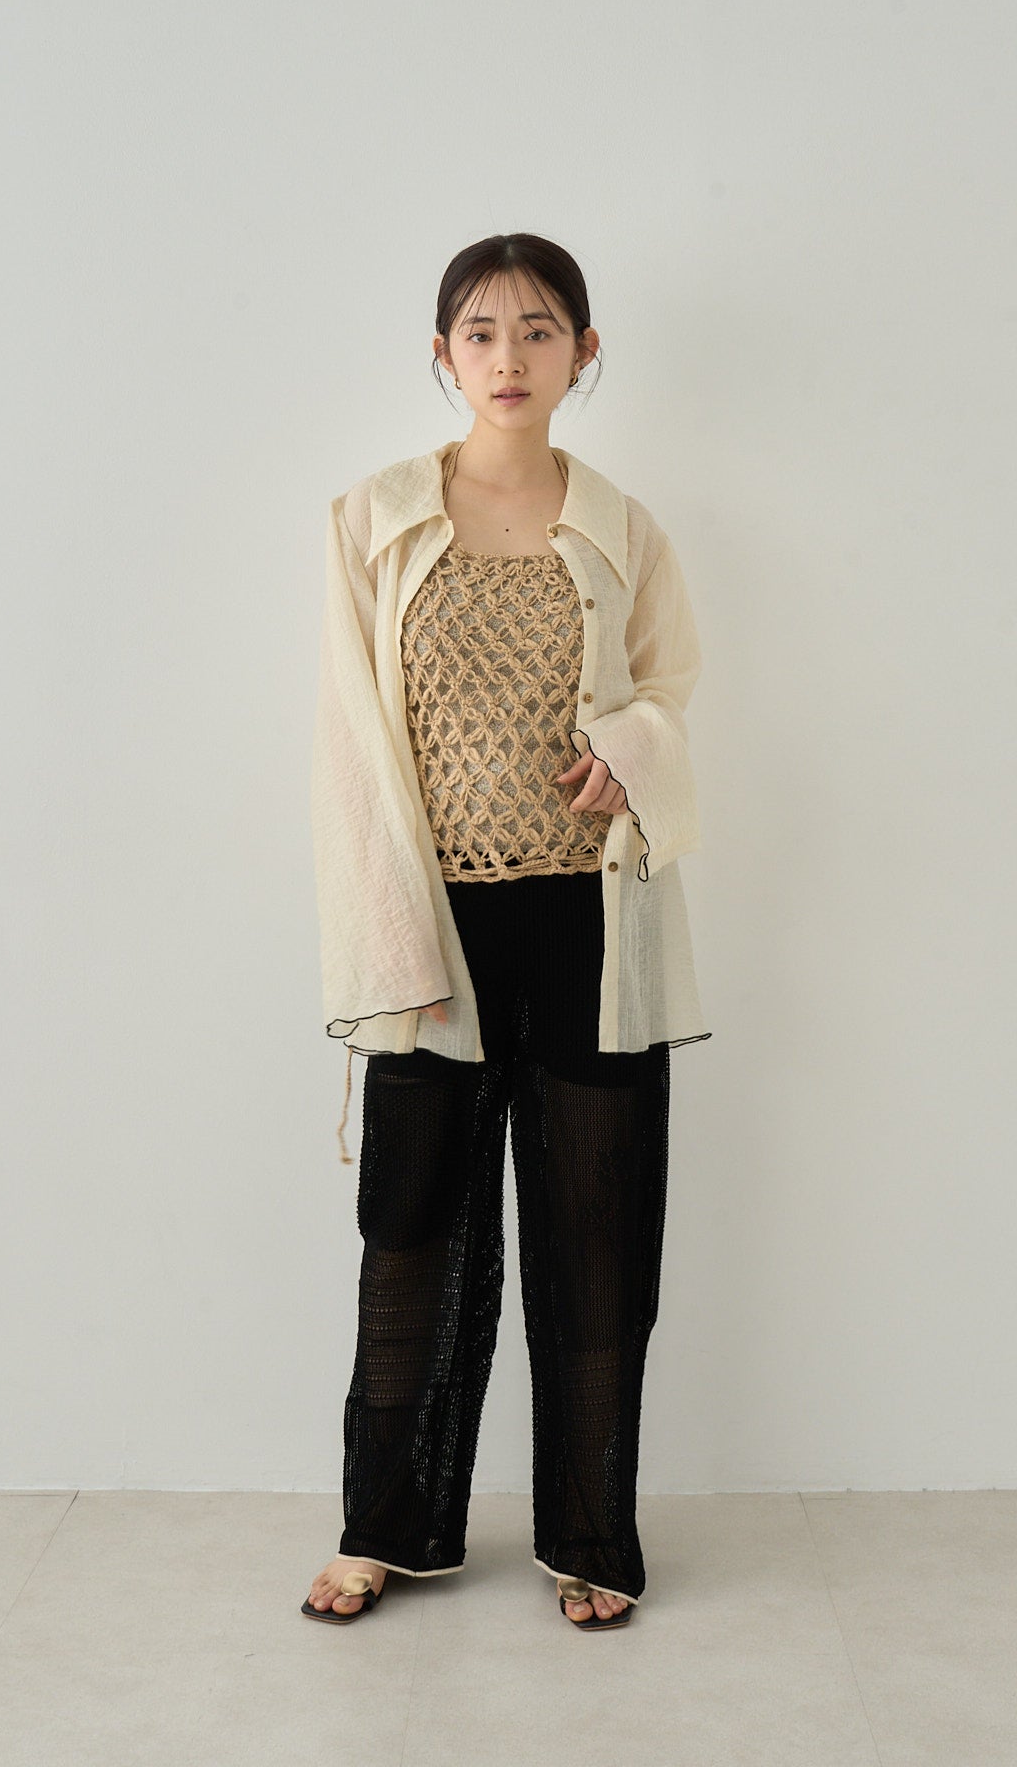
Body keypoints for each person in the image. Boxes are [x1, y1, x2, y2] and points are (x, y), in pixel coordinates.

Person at [304, 232, 708, 1630]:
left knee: (598, 1241)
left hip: (589, 922)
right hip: (433, 924)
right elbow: (351, 744)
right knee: (413, 1232)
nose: (509, 357)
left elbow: (668, 686)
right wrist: (387, 942)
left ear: (585, 353)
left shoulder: (622, 527)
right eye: (480, 332)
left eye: (540, 330)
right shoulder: (370, 521)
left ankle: (592, 1536)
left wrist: (631, 752)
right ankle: (385, 1529)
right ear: (442, 356)